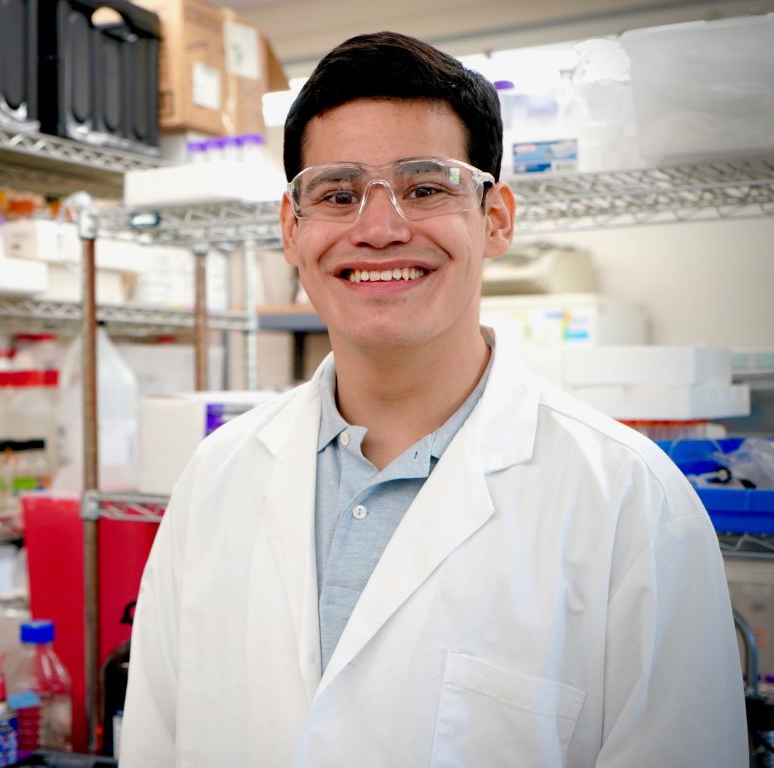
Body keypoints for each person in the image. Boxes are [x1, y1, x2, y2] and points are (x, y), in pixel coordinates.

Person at [121, 31, 748, 767]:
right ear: (292, 229)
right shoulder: (216, 478)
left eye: (425, 187)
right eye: (337, 193)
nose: (379, 229)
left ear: (496, 218)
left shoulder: (633, 505)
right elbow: (156, 742)